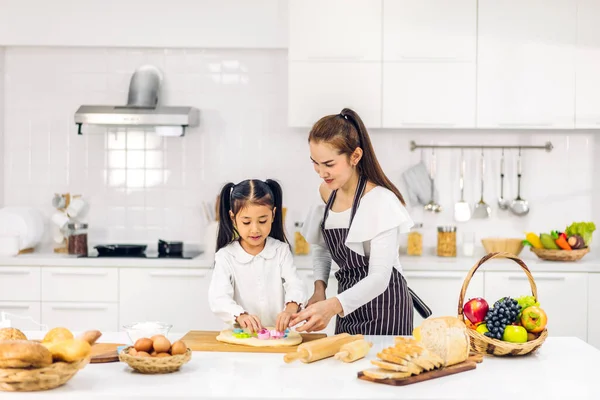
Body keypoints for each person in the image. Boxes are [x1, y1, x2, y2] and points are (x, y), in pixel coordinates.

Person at [289, 108, 430, 336]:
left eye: (329, 164)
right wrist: (319, 289)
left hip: (386, 308)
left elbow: (379, 278)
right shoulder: (326, 192)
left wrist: (332, 306)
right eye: (315, 163)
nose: (321, 172)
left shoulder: (380, 200)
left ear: (355, 156)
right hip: (346, 305)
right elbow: (322, 247)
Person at [208, 179, 306, 333]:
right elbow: (218, 298)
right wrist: (240, 316)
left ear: (273, 215)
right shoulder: (226, 256)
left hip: (278, 335)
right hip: (241, 336)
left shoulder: (281, 250)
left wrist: (290, 309)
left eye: (262, 221)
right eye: (246, 222)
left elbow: (295, 285)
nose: (255, 229)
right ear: (233, 218)